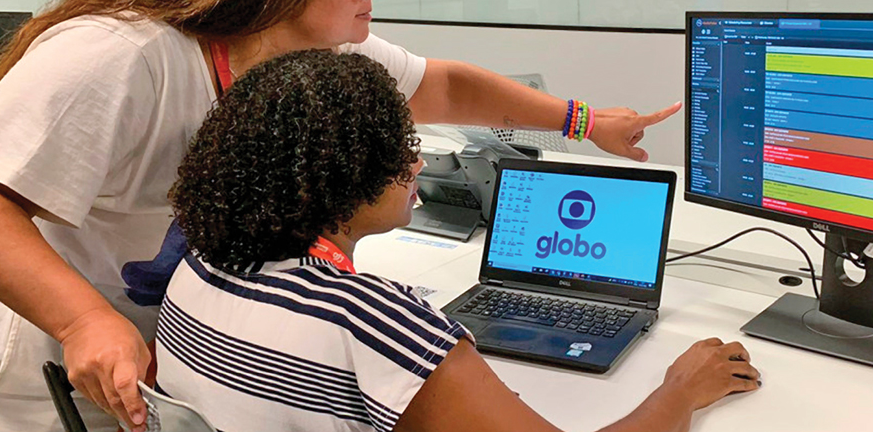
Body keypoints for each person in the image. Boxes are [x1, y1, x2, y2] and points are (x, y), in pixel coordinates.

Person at [0, 0, 680, 432]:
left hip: (164, 341)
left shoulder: (308, 53)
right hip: (52, 338)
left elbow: (447, 87)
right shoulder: (121, 55)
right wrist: (82, 318)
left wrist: (586, 123)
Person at [157, 49, 761, 432]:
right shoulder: (368, 321)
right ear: (343, 173)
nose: (417, 163)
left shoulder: (198, 268)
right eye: (400, 146)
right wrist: (679, 393)